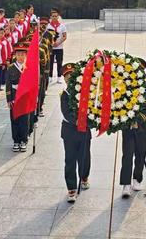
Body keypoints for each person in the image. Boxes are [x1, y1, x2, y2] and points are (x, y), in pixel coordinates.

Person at [120, 60, 146, 197]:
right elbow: (119, 105)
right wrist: (129, 119)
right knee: (127, 155)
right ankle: (126, 184)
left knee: (141, 154)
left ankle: (137, 179)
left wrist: (137, 119)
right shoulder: (124, 87)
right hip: (127, 127)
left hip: (142, 127)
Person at [60, 63, 92, 203]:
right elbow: (67, 114)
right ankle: (71, 188)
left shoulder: (85, 92)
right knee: (70, 159)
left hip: (84, 130)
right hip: (70, 131)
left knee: (84, 156)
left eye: (72, 75)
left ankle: (84, 177)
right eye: (67, 76)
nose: (69, 78)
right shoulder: (64, 94)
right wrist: (79, 122)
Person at [5, 44, 30, 152]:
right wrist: (9, 99)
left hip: (25, 97)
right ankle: (16, 141)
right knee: (15, 120)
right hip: (15, 96)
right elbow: (8, 84)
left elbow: (32, 83)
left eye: (22, 55)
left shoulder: (28, 67)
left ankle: (23, 140)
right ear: (15, 55)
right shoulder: (11, 68)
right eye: (18, 54)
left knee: (24, 120)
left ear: (25, 55)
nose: (20, 57)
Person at [47, 9, 67, 84]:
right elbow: (45, 36)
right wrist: (50, 43)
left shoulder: (62, 26)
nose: (54, 17)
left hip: (59, 47)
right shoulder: (48, 26)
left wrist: (58, 43)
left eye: (56, 16)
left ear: (58, 16)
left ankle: (59, 77)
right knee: (50, 63)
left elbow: (65, 36)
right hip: (51, 48)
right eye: (53, 16)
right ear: (51, 17)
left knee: (59, 62)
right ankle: (50, 77)